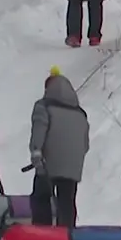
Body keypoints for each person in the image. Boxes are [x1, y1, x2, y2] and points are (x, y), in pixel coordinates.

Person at [28, 67, 90, 227]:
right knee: (67, 202)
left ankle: (43, 233)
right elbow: (85, 144)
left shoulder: (43, 107)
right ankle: (67, 235)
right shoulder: (81, 114)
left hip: (48, 164)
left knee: (41, 198)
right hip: (73, 167)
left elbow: (39, 130)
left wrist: (36, 153)